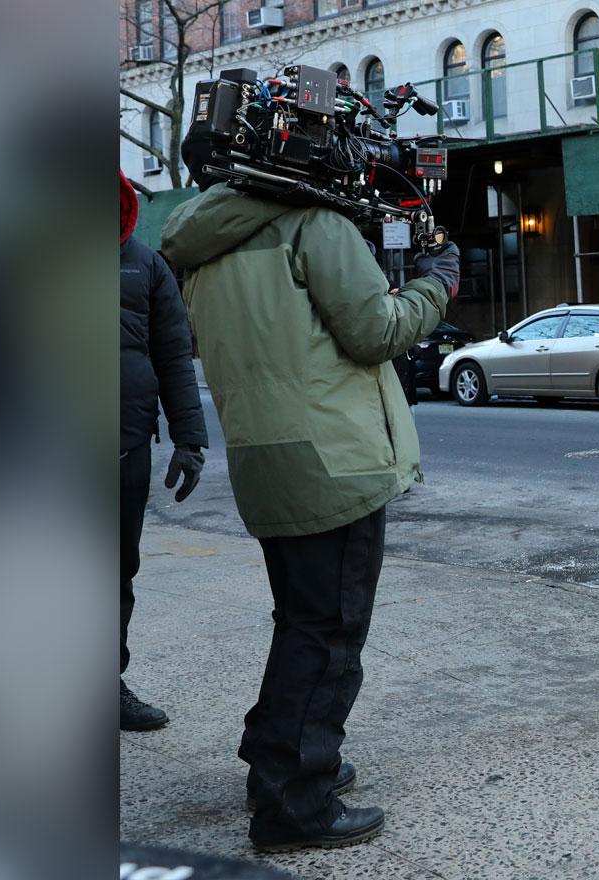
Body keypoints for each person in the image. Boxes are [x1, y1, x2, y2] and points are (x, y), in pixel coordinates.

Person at [160, 158, 459, 852]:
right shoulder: (314, 225)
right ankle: (295, 803)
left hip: (268, 457)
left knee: (300, 623)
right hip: (337, 459)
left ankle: (279, 762)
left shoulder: (205, 235)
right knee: (328, 636)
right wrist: (437, 282)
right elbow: (376, 332)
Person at [119, 170, 208, 730]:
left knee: (115, 571)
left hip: (125, 450)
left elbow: (175, 356)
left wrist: (190, 439)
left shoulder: (146, 264)